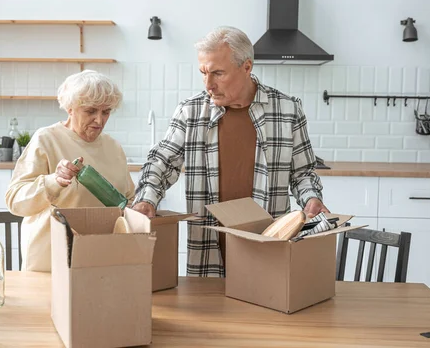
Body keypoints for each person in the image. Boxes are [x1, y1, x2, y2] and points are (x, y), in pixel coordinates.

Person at [132, 26, 329, 277]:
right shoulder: (190, 112)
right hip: (207, 247)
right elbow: (162, 162)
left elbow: (302, 172)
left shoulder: (287, 110)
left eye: (218, 73)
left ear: (246, 67)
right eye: (203, 73)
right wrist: (146, 199)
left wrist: (312, 199)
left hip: (268, 245)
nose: (208, 84)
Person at [5, 70, 134, 272]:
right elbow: (15, 200)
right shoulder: (46, 140)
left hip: (101, 262)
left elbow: (128, 200)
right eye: (91, 111)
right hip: (50, 262)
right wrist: (53, 181)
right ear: (70, 108)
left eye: (106, 111)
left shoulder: (113, 148)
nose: (99, 121)